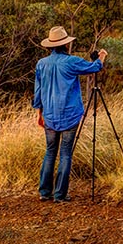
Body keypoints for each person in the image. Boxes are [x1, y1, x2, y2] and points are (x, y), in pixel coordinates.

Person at [33, 26, 107, 203]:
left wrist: (39, 113)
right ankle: (60, 195)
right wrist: (102, 56)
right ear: (66, 45)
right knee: (66, 153)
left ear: (50, 45)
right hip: (69, 114)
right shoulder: (71, 62)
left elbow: (38, 91)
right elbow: (94, 67)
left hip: (49, 114)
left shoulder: (41, 64)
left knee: (50, 151)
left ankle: (45, 192)